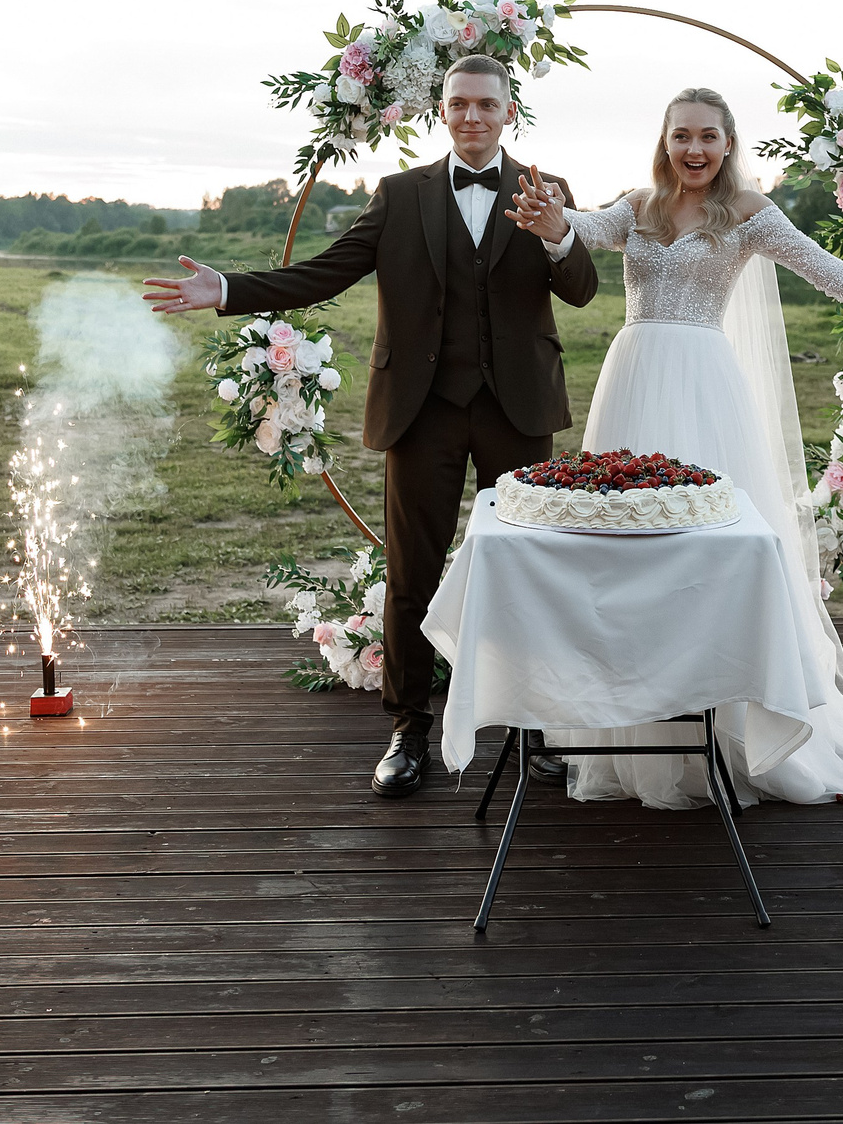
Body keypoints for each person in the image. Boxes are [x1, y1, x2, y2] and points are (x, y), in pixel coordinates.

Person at [503, 85, 843, 806]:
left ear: (729, 144)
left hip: (704, 386)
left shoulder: (750, 215)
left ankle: (731, 721)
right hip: (634, 378)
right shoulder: (636, 206)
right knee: (625, 543)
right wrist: (553, 224)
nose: (694, 149)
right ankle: (636, 725)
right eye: (682, 136)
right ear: (664, 142)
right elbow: (580, 227)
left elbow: (832, 275)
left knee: (710, 544)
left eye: (708, 136)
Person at [143, 55, 598, 797]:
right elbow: (324, 271)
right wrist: (227, 289)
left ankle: (531, 729)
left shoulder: (547, 192)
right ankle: (408, 728)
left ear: (510, 113)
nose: (473, 117)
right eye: (459, 104)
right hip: (421, 411)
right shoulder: (399, 195)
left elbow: (579, 291)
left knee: (524, 570)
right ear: (441, 112)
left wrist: (557, 235)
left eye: (488, 104)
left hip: (519, 410)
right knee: (412, 573)